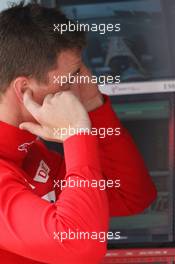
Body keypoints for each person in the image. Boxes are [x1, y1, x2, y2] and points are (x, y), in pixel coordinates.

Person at [0, 2, 157, 264]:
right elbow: (81, 248)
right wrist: (77, 134)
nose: (82, 82)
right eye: (70, 77)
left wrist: (94, 105)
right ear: (24, 89)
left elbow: (131, 197)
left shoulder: (31, 153)